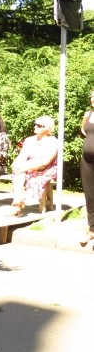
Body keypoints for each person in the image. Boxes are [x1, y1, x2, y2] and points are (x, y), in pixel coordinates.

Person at [9, 116, 58, 216]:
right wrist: (17, 164)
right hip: (30, 167)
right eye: (35, 124)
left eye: (39, 125)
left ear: (48, 129)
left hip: (45, 168)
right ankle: (17, 203)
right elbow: (22, 156)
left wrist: (26, 167)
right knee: (18, 170)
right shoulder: (29, 140)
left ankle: (17, 204)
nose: (35, 126)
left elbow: (45, 162)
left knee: (24, 170)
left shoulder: (53, 141)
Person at [80, 89, 94, 247]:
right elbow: (84, 130)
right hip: (87, 160)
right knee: (90, 195)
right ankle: (91, 230)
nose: (92, 99)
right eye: (91, 96)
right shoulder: (88, 114)